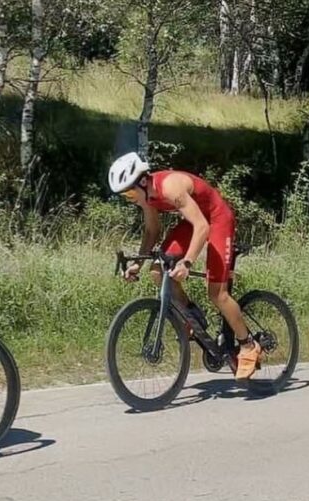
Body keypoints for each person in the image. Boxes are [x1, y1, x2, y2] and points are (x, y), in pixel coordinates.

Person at [108, 152, 261, 380]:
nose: (129, 198)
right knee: (158, 270)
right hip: (194, 221)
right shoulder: (146, 197)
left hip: (216, 219)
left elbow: (202, 227)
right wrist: (138, 265)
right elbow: (152, 231)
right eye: (124, 195)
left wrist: (187, 262)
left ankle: (248, 345)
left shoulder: (170, 188)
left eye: (130, 192)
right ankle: (191, 316)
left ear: (142, 181)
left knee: (217, 294)